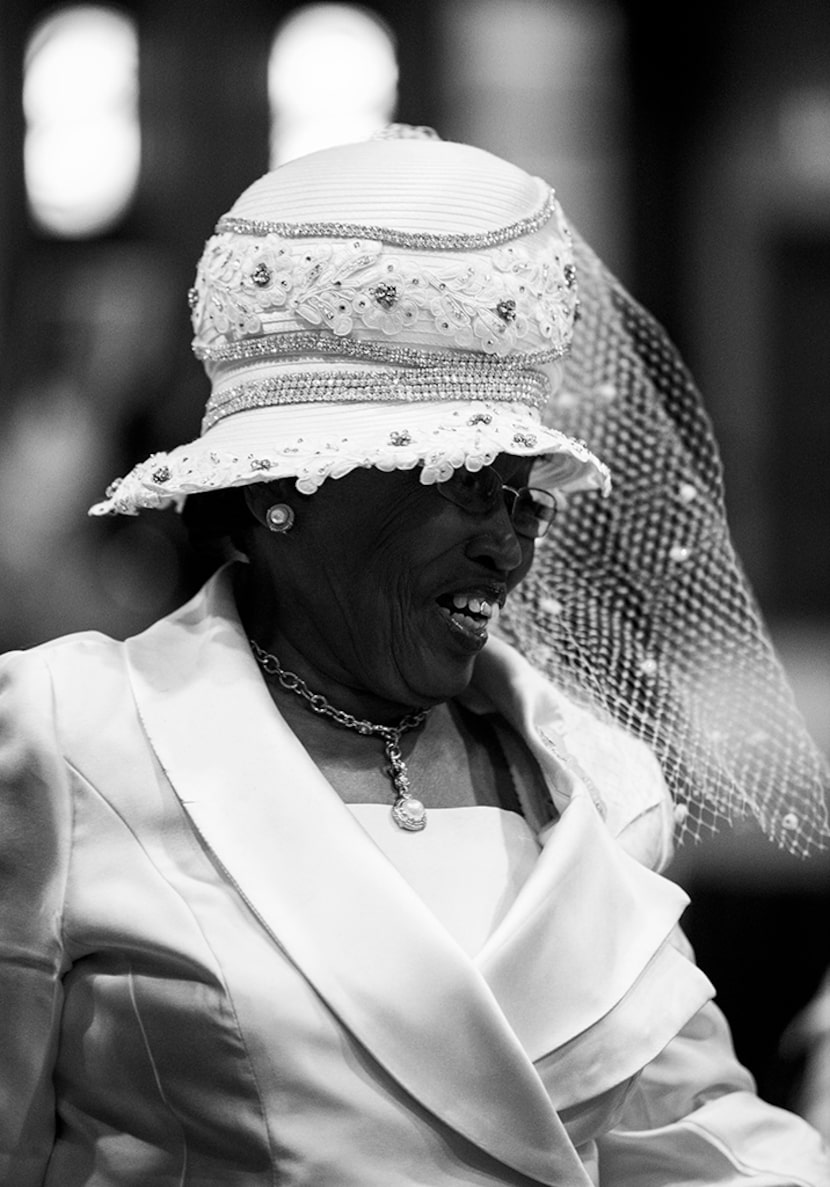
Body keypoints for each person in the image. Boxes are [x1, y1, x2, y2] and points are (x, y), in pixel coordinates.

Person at [1, 127, 828, 1186]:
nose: (511, 537)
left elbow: (696, 1139)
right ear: (279, 488)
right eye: (459, 477)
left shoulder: (592, 787)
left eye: (522, 486)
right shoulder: (71, 739)